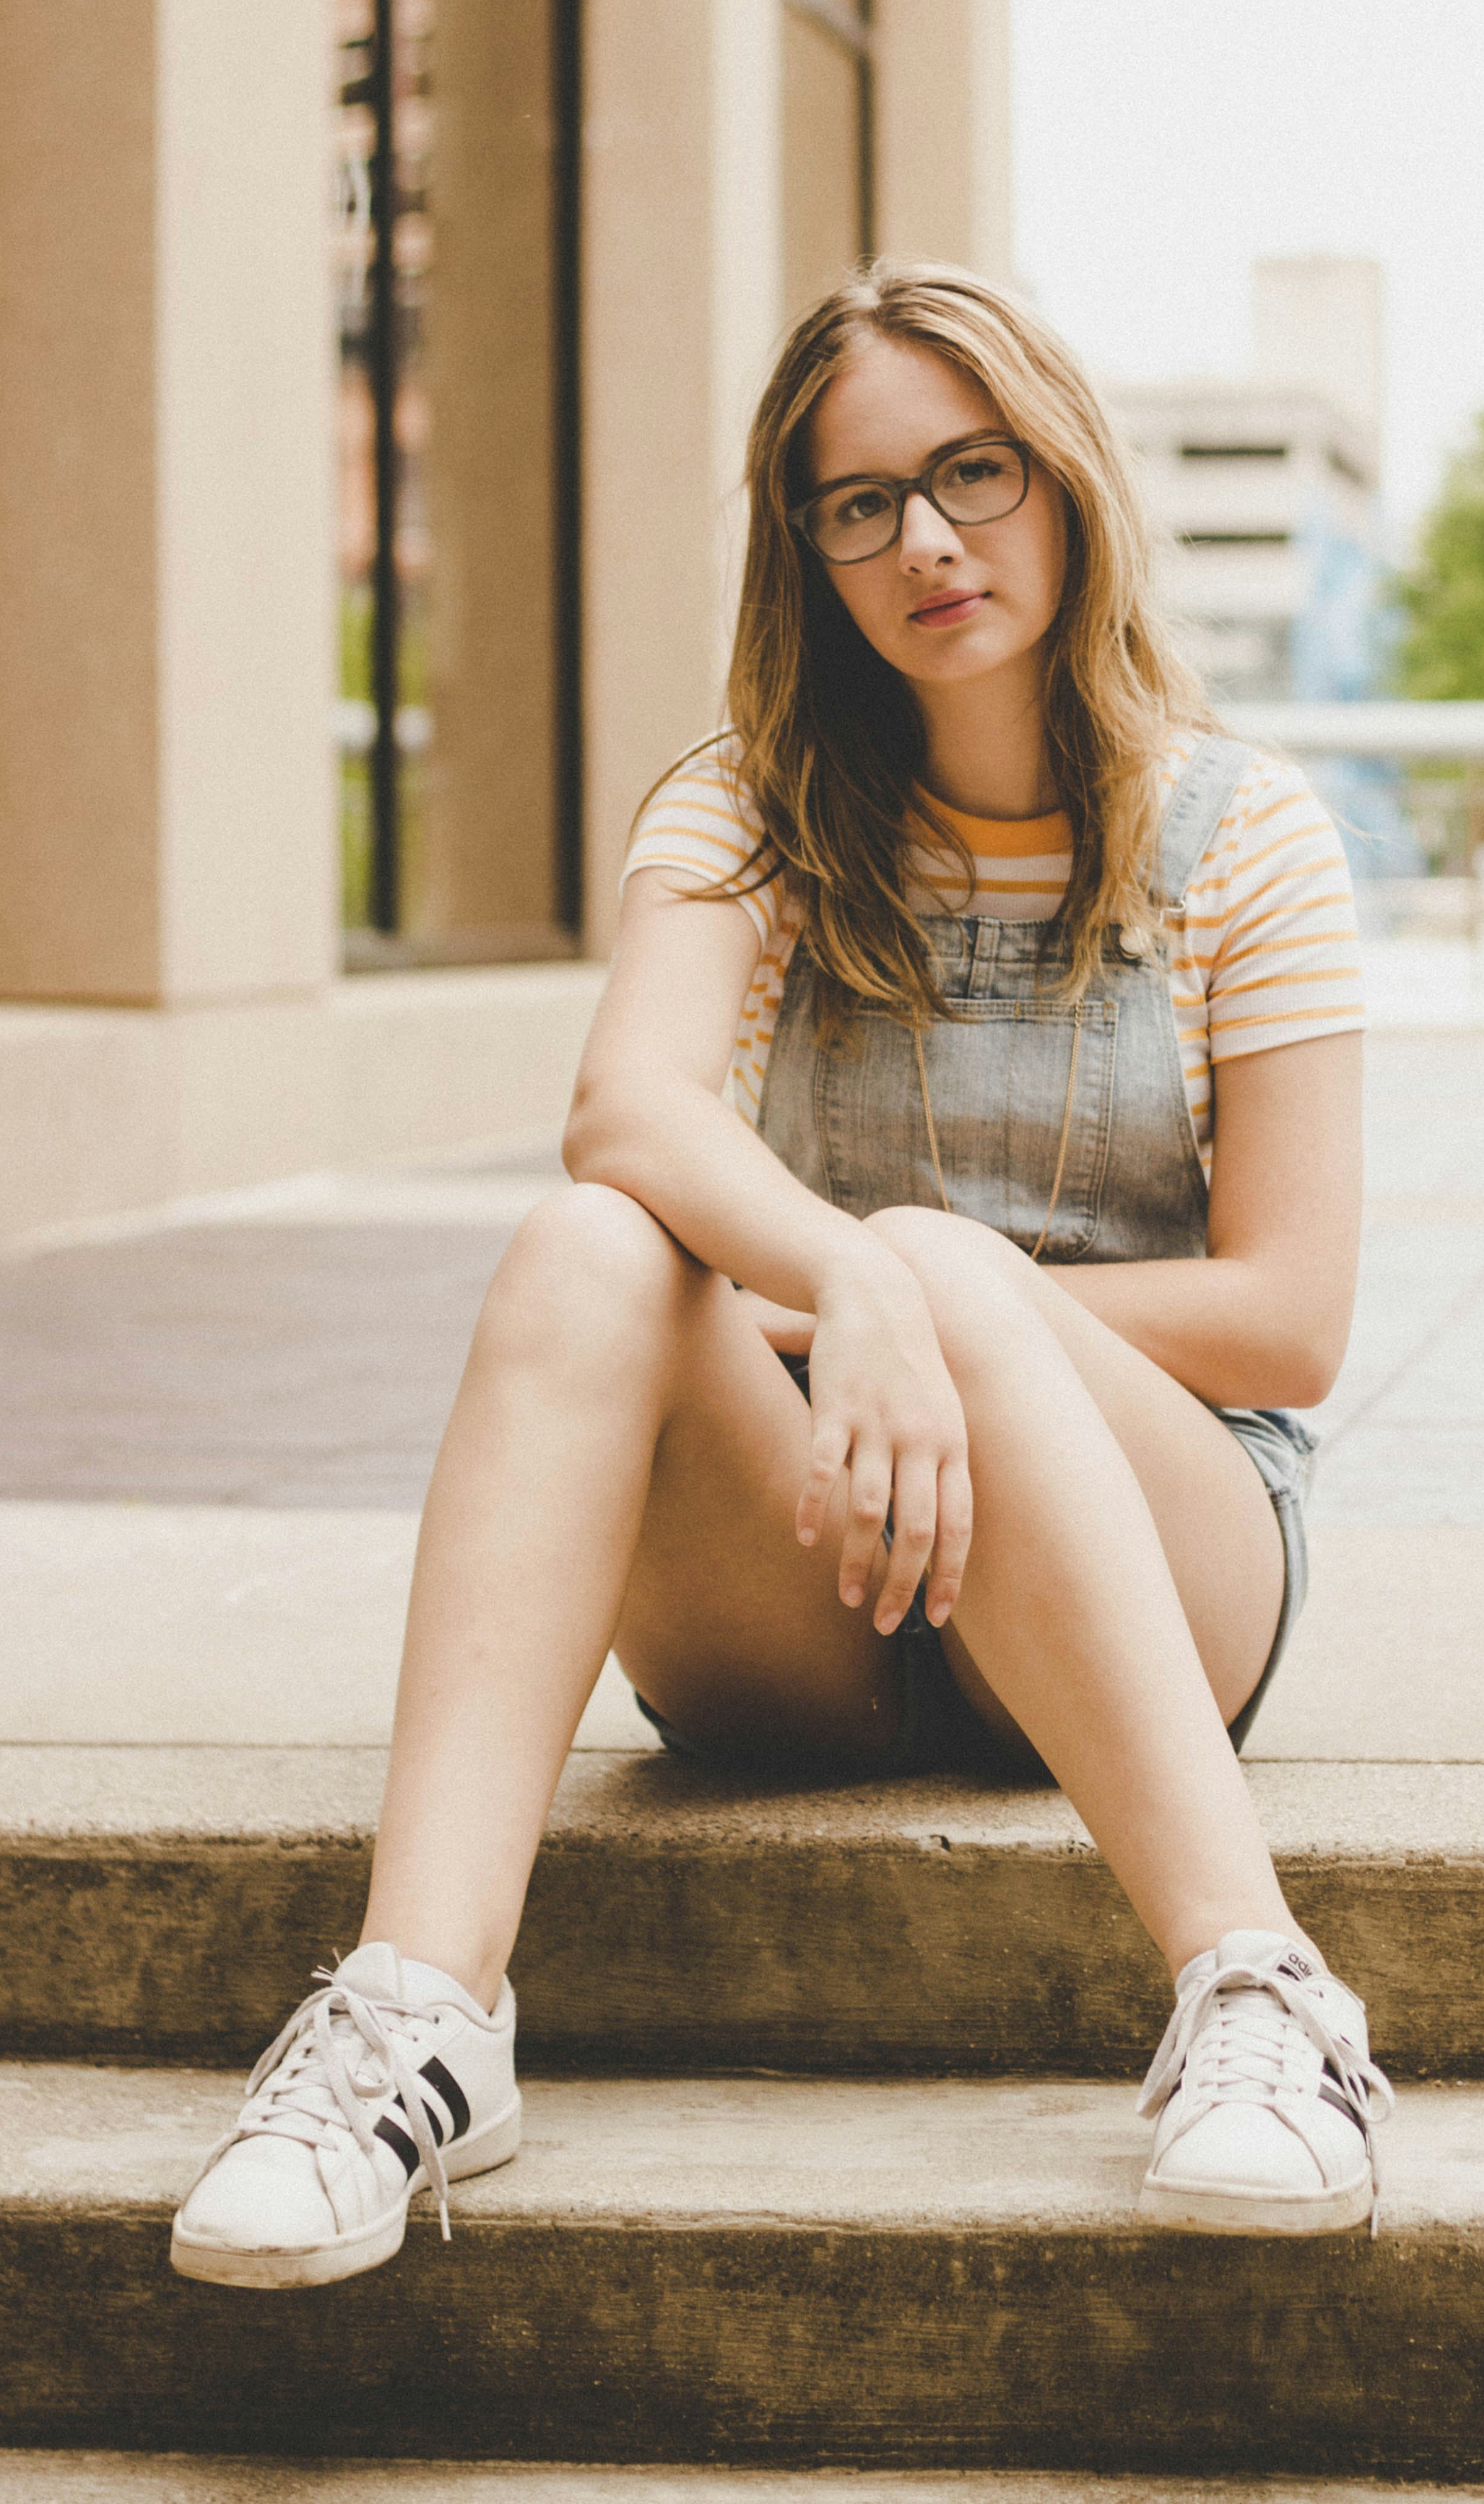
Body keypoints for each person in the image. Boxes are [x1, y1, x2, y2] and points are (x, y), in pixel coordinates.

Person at [170, 260, 1390, 2291]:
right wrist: (874, 1304)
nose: (925, 539)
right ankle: (419, 2021)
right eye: (859, 502)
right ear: (806, 550)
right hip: (816, 1581)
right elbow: (626, 1118)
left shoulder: (1246, 839)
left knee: (935, 1260)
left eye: (971, 474)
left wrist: (939, 1298)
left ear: (1064, 483)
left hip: (1166, 1573)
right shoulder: (746, 810)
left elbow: (1290, 1319)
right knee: (588, 1252)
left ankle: (1263, 2002)